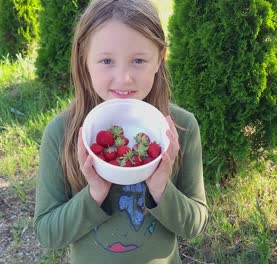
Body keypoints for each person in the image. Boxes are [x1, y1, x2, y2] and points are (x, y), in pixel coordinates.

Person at [34, 0, 208, 263]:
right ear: (84, 59)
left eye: (139, 60)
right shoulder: (62, 132)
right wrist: (94, 193)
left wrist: (161, 187)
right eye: (106, 60)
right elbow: (48, 234)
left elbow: (194, 226)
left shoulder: (181, 128)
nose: (124, 78)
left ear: (160, 58)